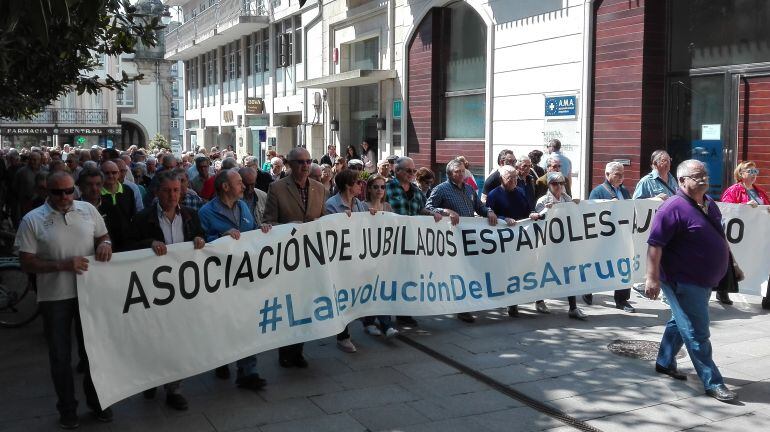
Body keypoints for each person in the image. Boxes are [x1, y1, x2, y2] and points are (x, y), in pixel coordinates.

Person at [15, 171, 114, 428]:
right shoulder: (32, 220)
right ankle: (67, 409)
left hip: (90, 293)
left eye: (69, 191)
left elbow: (103, 236)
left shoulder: (87, 210)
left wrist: (105, 244)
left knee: (93, 353)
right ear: (47, 191)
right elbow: (26, 262)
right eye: (58, 192)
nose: (65, 197)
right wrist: (61, 265)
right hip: (54, 298)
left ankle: (99, 402)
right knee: (60, 356)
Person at [645, 159, 739, 402]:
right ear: (683, 180)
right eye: (697, 175)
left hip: (705, 279)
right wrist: (652, 278)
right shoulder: (672, 208)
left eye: (705, 174)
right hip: (682, 281)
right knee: (697, 332)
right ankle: (713, 382)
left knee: (681, 320)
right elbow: (655, 245)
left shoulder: (709, 204)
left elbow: (720, 235)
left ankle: (665, 361)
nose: (704, 178)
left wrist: (733, 262)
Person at [126, 171, 206, 411]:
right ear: (157, 192)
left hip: (182, 289)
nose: (173, 195)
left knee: (177, 339)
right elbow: (128, 247)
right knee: (153, 336)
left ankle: (174, 387)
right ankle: (151, 377)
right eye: (167, 191)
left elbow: (200, 237)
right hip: (154, 291)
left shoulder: (191, 216)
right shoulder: (142, 219)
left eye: (176, 190)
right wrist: (148, 244)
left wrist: (200, 240)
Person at [198, 169, 270, 389]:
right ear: (226, 187)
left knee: (248, 322)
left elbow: (251, 232)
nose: (244, 187)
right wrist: (220, 238)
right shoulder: (206, 212)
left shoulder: (243, 207)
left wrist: (263, 229)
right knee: (224, 323)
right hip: (220, 279)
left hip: (245, 275)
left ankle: (249, 370)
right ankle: (221, 359)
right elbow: (198, 244)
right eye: (239, 183)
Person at [263, 147, 328, 368]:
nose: (305, 165)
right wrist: (289, 227)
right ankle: (285, 350)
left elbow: (324, 220)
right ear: (289, 164)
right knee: (288, 305)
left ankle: (299, 350)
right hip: (287, 258)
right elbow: (268, 222)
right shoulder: (277, 188)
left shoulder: (319, 188)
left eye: (308, 161)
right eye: (300, 162)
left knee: (305, 305)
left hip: (311, 256)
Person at [426, 159, 498, 323]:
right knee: (457, 272)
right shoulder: (441, 189)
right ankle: (461, 307)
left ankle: (466, 305)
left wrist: (489, 211)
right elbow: (428, 208)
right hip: (452, 239)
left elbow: (479, 207)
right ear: (449, 173)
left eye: (463, 170)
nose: (461, 174)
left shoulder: (469, 189)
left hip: (469, 237)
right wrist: (446, 211)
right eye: (457, 171)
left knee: (469, 270)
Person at [385, 156, 443, 326]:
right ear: (397, 171)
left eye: (414, 171)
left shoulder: (417, 192)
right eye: (408, 171)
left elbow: (423, 208)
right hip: (391, 243)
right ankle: (382, 316)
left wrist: (434, 214)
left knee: (407, 277)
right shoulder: (386, 188)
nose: (412, 174)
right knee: (388, 278)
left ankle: (404, 313)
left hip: (411, 243)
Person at [486, 165, 547, 317]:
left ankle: (537, 299)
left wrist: (533, 213)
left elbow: (529, 209)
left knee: (529, 267)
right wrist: (503, 219)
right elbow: (488, 216)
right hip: (505, 240)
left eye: (515, 177)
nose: (514, 181)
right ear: (501, 179)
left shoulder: (520, 192)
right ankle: (511, 303)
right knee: (509, 270)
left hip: (523, 238)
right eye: (510, 178)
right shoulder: (494, 194)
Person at [325, 169, 371, 353]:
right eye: (358, 182)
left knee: (353, 293)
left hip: (356, 256)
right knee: (341, 295)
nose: (361, 185)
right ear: (347, 185)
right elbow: (329, 229)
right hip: (339, 258)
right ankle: (342, 336)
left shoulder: (359, 204)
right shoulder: (332, 205)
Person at [534, 172, 587, 320]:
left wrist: (577, 205)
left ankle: (573, 307)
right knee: (545, 271)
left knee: (569, 272)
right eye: (555, 184)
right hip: (549, 242)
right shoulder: (543, 200)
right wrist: (546, 210)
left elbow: (575, 216)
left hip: (565, 242)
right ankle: (539, 300)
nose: (559, 186)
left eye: (561, 183)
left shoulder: (567, 198)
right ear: (549, 185)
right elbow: (538, 218)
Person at [585, 161, 634, 312]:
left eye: (622, 174)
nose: (621, 177)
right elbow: (590, 212)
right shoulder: (598, 191)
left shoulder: (624, 191)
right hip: (603, 237)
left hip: (621, 235)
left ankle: (622, 299)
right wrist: (607, 204)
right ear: (607, 175)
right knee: (598, 265)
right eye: (617, 174)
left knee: (624, 266)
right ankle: (587, 289)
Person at [720, 160, 769, 308]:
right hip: (739, 235)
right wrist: (744, 207)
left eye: (755, 172)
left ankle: (766, 297)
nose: (754, 175)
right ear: (741, 174)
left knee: (761, 263)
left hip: (757, 235)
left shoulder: (759, 191)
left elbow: (766, 207)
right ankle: (723, 290)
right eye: (750, 171)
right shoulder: (733, 190)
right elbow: (727, 210)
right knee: (732, 260)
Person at [361, 174, 399, 338]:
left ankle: (373, 322)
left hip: (384, 253)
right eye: (376, 187)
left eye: (382, 187)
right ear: (369, 189)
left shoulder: (388, 207)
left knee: (382, 288)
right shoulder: (362, 206)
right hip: (367, 253)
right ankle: (383, 324)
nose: (379, 190)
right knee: (372, 288)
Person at [99, 161, 137, 252]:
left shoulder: (128, 191)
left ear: (119, 173)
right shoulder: (96, 193)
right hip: (104, 244)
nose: (111, 176)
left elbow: (133, 215)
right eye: (107, 173)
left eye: (114, 172)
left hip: (127, 242)